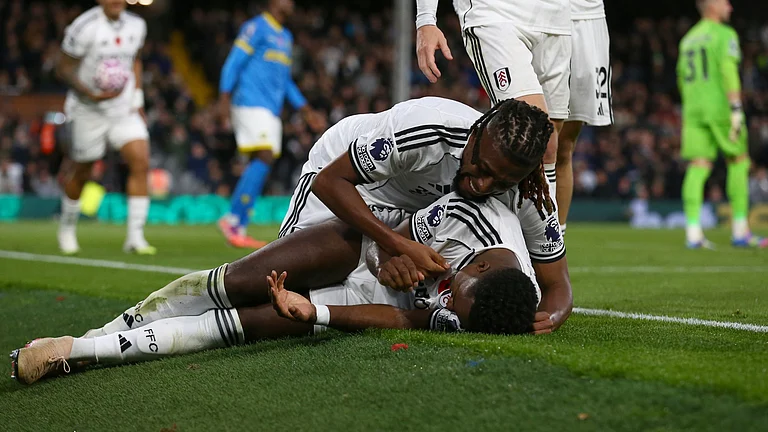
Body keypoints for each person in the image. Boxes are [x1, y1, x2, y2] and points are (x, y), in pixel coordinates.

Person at [11, 192, 551, 385]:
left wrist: (313, 313)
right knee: (235, 283)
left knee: (247, 325)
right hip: (360, 233)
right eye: (453, 295)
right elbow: (389, 240)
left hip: (378, 296)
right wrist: (392, 259)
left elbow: (405, 318)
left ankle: (78, 350)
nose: (444, 301)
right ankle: (99, 334)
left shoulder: (481, 306)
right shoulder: (465, 218)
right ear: (476, 269)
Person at [287, 96, 571, 330]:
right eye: (482, 168)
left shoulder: (531, 194)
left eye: (501, 182)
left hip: (417, 213)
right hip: (355, 184)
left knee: (307, 316)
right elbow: (328, 182)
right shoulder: (429, 128)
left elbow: (558, 284)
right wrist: (397, 245)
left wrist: (547, 319)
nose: (483, 185)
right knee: (292, 278)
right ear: (476, 133)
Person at [414, 0, 571, 202]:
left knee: (550, 149)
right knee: (535, 142)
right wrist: (426, 18)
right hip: (496, 12)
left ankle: (547, 233)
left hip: (557, 19)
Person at [216, 0, 326, 249]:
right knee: (264, 156)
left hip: (270, 109)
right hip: (250, 101)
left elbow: (286, 81)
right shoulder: (256, 27)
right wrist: (224, 96)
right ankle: (234, 219)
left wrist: (306, 110)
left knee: (263, 159)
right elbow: (234, 61)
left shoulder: (285, 36)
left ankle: (237, 219)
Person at [56, 0, 154, 255]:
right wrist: (89, 93)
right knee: (83, 171)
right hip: (88, 110)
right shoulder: (84, 27)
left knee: (140, 161)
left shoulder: (137, 25)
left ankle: (135, 237)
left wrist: (137, 98)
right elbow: (63, 67)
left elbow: (135, 60)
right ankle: (66, 227)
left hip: (123, 110)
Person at [677, 0, 767, 249]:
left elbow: (681, 78)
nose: (730, 6)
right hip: (720, 107)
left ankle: (693, 234)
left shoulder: (688, 39)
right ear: (712, 5)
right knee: (739, 161)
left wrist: (691, 106)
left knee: (698, 166)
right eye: (725, 2)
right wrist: (736, 108)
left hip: (694, 109)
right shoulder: (724, 34)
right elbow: (728, 70)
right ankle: (740, 231)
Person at [556, 0, 613, 235]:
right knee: (535, 145)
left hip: (586, 18)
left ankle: (555, 240)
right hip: (530, 15)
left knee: (563, 146)